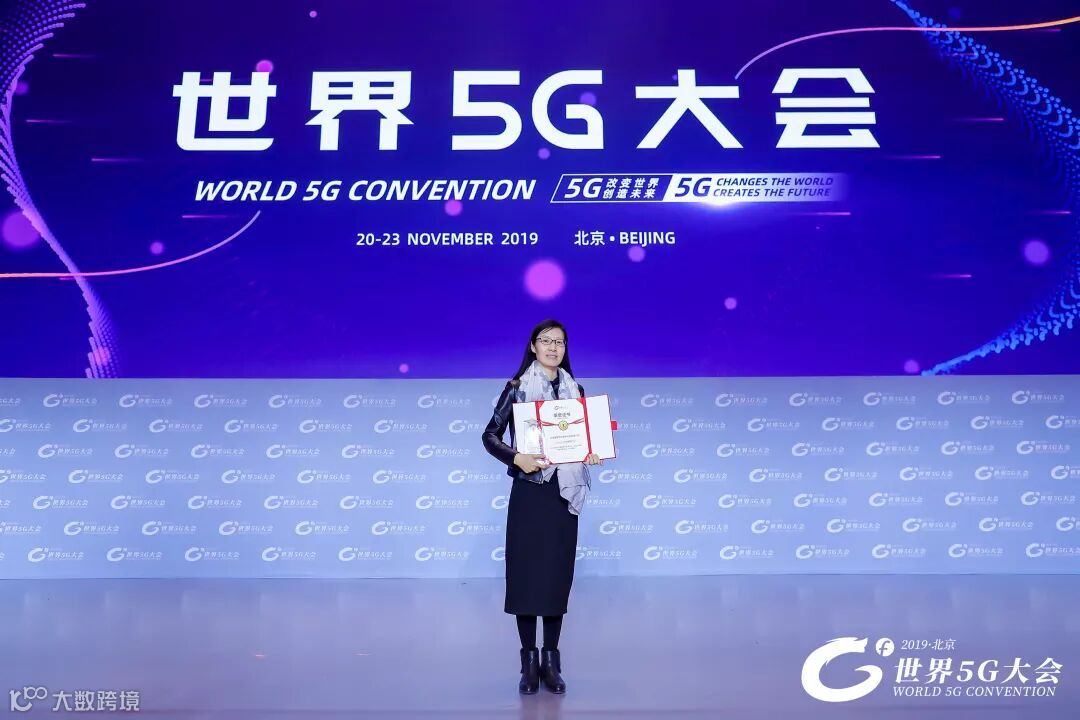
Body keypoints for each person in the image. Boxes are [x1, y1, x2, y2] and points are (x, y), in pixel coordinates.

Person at [481, 319, 603, 695]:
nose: (553, 348)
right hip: (530, 492)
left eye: (560, 342)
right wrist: (516, 457)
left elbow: (584, 439)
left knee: (554, 578)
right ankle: (528, 663)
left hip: (562, 495)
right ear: (533, 346)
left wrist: (591, 452)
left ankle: (551, 662)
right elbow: (490, 435)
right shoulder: (517, 388)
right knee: (526, 578)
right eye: (546, 341)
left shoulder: (575, 390)